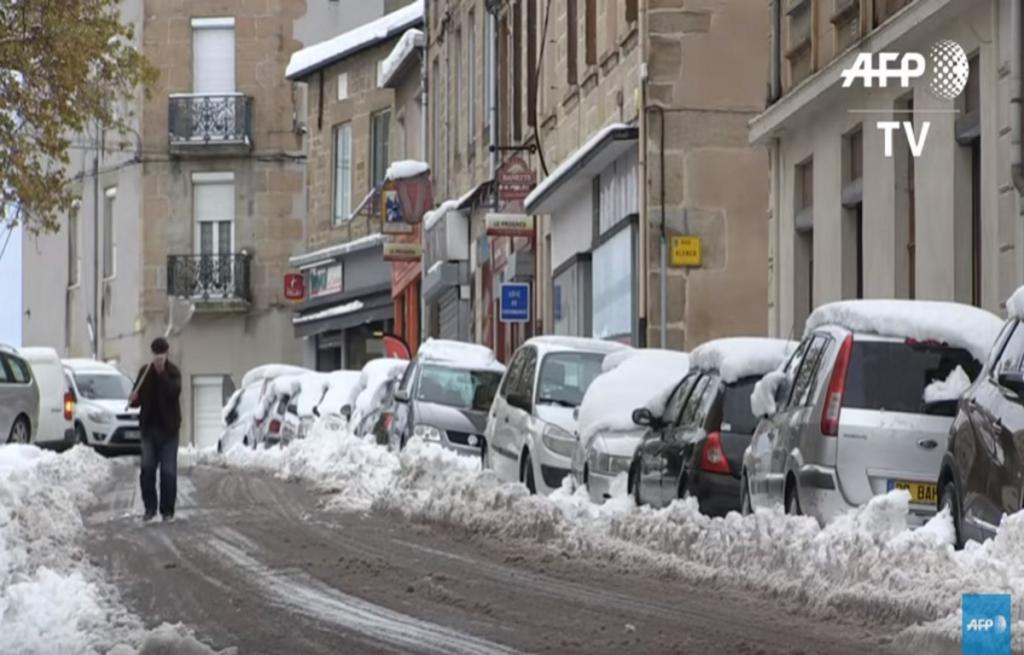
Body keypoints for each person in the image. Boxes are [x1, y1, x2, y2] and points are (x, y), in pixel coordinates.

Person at [129, 337, 182, 522]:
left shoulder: (173, 372)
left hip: (169, 431)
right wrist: (134, 398)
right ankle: (150, 508)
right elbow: (135, 400)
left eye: (162, 354)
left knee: (168, 472)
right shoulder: (145, 372)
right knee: (147, 469)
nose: (159, 359)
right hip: (149, 430)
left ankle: (167, 511)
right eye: (156, 354)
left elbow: (173, 392)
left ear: (167, 354)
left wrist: (162, 375)